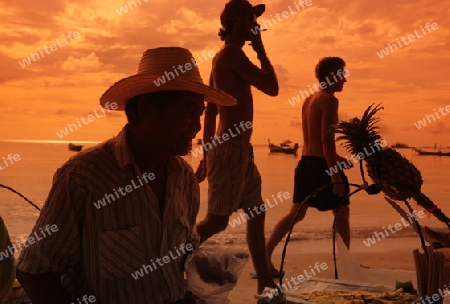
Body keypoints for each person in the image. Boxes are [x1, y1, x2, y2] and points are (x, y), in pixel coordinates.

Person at [15, 47, 236, 304]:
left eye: (199, 113)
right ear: (147, 109)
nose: (197, 125)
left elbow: (181, 254)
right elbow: (34, 271)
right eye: (188, 110)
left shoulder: (185, 179)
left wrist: (202, 270)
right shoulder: (85, 177)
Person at [194, 0, 279, 295]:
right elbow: (272, 87)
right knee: (216, 221)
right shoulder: (232, 55)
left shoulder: (221, 58)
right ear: (236, 22)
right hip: (230, 150)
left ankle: (266, 283)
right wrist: (260, 49)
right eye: (251, 19)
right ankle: (167, 260)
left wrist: (206, 154)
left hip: (238, 150)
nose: (256, 25)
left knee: (256, 211)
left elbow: (211, 111)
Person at [266, 57, 351, 274]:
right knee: (341, 213)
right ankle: (345, 264)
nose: (344, 79)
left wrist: (338, 160)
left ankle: (264, 257)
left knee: (295, 214)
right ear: (332, 75)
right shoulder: (330, 100)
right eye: (342, 74)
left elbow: (314, 142)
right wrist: (335, 175)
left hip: (306, 163)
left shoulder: (309, 99)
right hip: (322, 166)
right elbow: (326, 140)